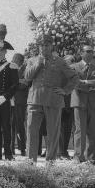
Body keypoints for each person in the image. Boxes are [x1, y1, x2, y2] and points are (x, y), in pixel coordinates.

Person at [24, 34, 79, 165]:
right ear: (39, 47)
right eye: (42, 45)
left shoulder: (59, 61)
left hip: (53, 101)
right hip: (34, 100)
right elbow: (27, 77)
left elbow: (74, 77)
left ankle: (50, 162)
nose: (44, 48)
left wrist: (65, 91)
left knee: (53, 132)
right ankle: (30, 162)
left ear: (51, 46)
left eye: (47, 45)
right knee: (31, 131)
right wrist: (38, 63)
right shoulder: (32, 60)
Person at [70, 44, 95, 164]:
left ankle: (92, 159)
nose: (91, 53)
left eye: (92, 51)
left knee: (94, 131)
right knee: (80, 130)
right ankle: (78, 157)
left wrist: (85, 82)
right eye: (88, 51)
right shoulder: (73, 67)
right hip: (79, 102)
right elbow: (74, 82)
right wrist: (91, 86)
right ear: (81, 53)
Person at [11, 52, 29, 157]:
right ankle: (10, 148)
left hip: (20, 102)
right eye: (13, 59)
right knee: (9, 125)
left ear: (20, 61)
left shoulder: (25, 70)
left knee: (20, 126)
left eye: (15, 59)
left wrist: (13, 83)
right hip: (10, 101)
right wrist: (17, 82)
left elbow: (24, 84)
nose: (13, 61)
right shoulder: (11, 68)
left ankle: (22, 148)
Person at [59, 54, 76, 159]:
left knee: (68, 129)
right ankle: (61, 152)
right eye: (69, 61)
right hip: (61, 104)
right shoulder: (60, 72)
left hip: (71, 104)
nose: (71, 63)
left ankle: (64, 151)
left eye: (72, 61)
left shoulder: (74, 73)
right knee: (60, 129)